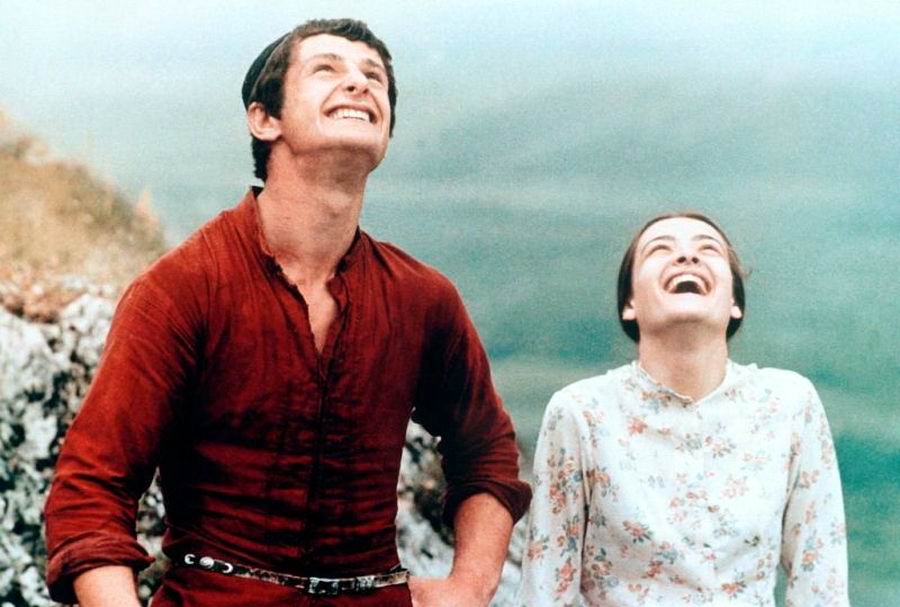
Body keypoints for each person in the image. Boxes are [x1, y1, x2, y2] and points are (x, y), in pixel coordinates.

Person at [44, 18, 530, 607]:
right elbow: (92, 490)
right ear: (263, 119)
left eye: (374, 77)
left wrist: (469, 587)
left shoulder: (423, 299)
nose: (359, 83)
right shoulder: (182, 289)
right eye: (327, 69)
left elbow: (486, 449)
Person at [517, 212, 849, 606]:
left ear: (735, 303)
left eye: (707, 249)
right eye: (660, 250)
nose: (687, 257)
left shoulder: (788, 403)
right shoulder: (581, 412)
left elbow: (821, 585)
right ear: (629, 304)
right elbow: (545, 589)